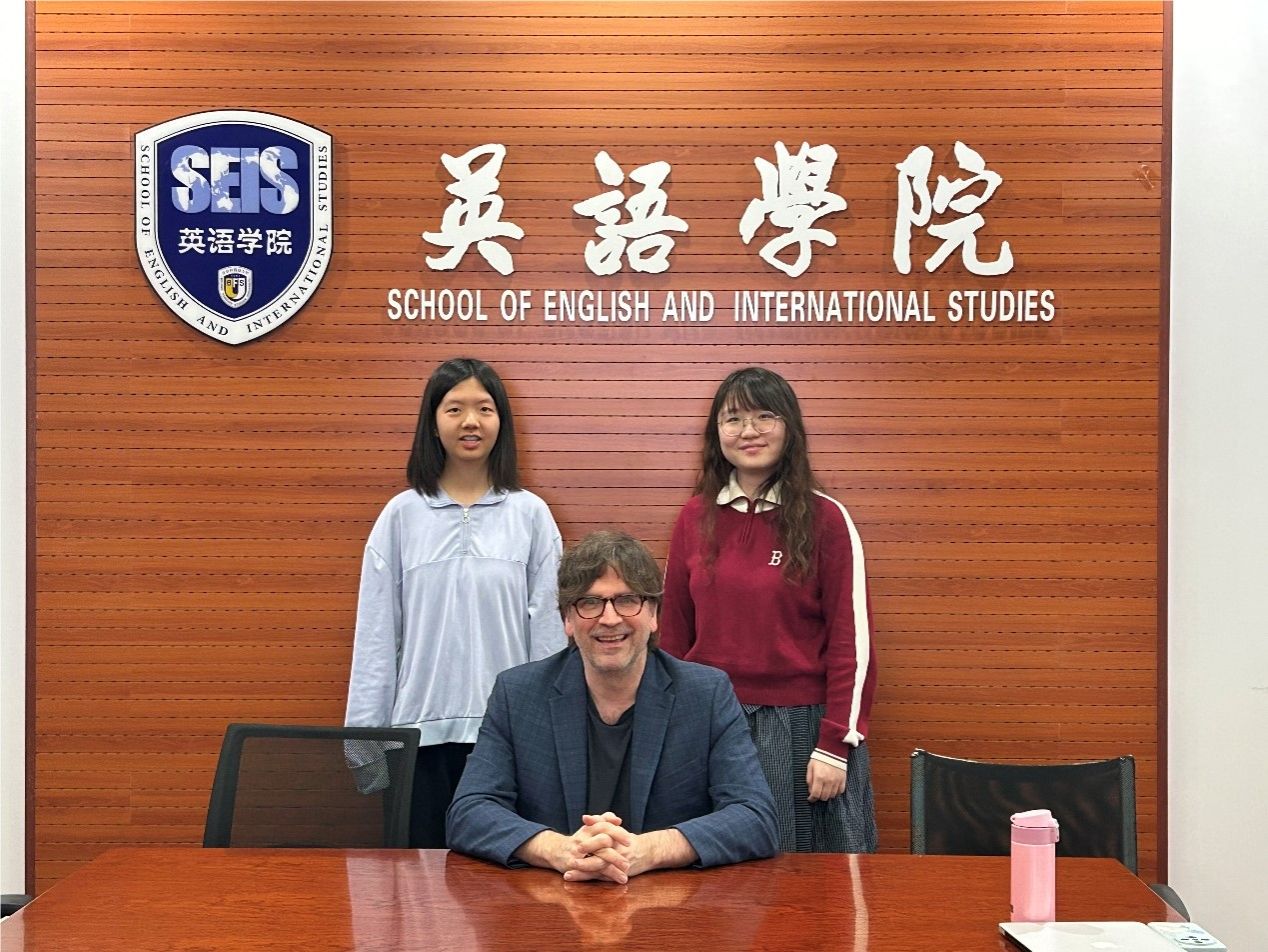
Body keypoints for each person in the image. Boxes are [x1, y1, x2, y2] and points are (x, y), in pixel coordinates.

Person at [446, 530, 778, 882]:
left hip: (670, 903)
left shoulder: (706, 694)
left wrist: (649, 850)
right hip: (552, 900)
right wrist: (558, 849)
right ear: (568, 620)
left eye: (627, 600)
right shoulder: (518, 694)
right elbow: (469, 812)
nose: (609, 618)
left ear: (653, 615)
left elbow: (755, 817)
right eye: (590, 602)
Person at [345, 357, 566, 848]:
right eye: (454, 409)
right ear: (433, 423)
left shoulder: (530, 515)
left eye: (484, 408)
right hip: (417, 739)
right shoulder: (401, 516)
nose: (471, 421)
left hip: (507, 739)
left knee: (504, 881)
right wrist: (365, 745)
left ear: (501, 421)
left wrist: (550, 736)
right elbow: (376, 639)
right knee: (418, 883)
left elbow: (550, 639)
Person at [660, 366, 878, 853]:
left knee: (808, 879)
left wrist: (836, 744)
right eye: (733, 419)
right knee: (717, 871)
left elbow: (853, 644)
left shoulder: (826, 518)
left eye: (765, 416)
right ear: (717, 433)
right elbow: (672, 639)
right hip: (713, 723)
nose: (749, 431)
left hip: (801, 730)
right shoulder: (694, 517)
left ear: (789, 427)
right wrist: (672, 729)